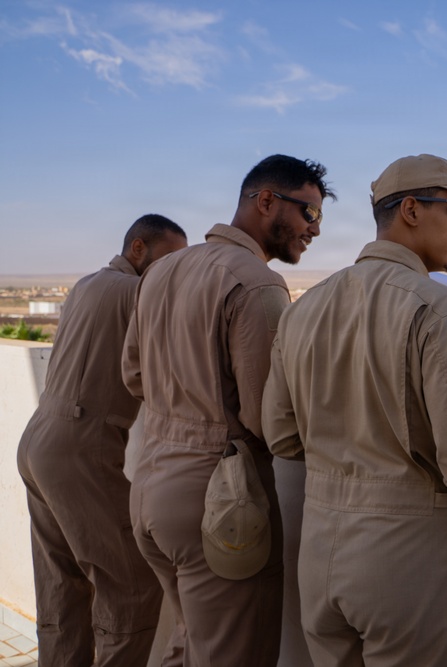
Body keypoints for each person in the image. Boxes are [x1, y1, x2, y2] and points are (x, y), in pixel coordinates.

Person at [262, 153, 447, 666]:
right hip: (408, 561)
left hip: (319, 552)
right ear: (411, 209)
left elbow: (280, 436)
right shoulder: (439, 309)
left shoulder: (305, 308)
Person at [122, 155, 332, 666]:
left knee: (188, 644)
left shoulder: (163, 270)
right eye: (309, 214)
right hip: (219, 502)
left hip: (149, 489)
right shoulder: (256, 282)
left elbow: (132, 376)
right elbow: (269, 420)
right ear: (266, 202)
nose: (315, 230)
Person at [17, 214, 187, 667]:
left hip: (38, 440)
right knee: (131, 585)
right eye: (168, 261)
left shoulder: (88, 284)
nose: (171, 273)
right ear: (138, 249)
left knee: (62, 586)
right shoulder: (135, 293)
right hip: (79, 447)